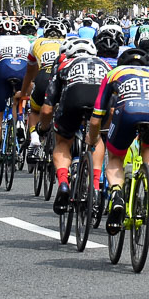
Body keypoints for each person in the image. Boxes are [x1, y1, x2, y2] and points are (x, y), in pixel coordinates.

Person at [88, 47, 149, 234]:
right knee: (148, 150)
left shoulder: (113, 73)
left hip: (127, 111)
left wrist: (93, 139)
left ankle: (116, 193)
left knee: (115, 156)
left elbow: (96, 117)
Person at [43, 38, 110, 213]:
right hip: (100, 101)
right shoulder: (105, 64)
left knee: (63, 142)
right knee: (97, 140)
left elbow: (48, 107)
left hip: (74, 98)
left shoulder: (63, 65)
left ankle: (64, 183)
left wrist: (42, 129)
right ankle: (95, 185)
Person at [0, 20, 38, 180]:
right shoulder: (27, 41)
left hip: (4, 71)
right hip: (23, 71)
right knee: (20, 95)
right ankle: (20, 118)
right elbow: (33, 70)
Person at [25, 20, 64, 162]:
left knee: (35, 110)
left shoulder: (36, 43)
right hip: (62, 77)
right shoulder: (68, 42)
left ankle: (34, 139)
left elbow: (30, 71)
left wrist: (25, 90)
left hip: (43, 75)